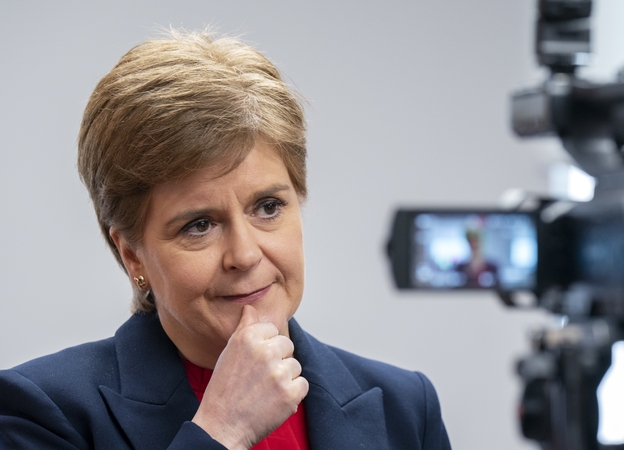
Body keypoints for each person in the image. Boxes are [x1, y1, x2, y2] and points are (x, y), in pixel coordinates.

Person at [0, 30, 450, 450]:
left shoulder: (405, 408)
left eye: (268, 207)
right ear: (132, 253)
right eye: (199, 225)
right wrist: (221, 430)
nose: (246, 254)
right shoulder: (42, 411)